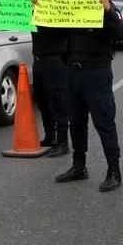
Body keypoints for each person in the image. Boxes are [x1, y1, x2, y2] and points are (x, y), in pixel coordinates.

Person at [54, 0, 123, 192]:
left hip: (97, 72)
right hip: (72, 71)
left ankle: (114, 171)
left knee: (104, 122)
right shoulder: (71, 9)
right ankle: (79, 166)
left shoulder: (107, 9)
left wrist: (107, 10)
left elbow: (122, 34)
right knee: (76, 122)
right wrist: (40, 9)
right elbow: (52, 33)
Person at [32, 27, 70, 158]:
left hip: (56, 59)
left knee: (58, 101)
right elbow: (16, 22)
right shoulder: (33, 9)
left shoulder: (56, 9)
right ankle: (50, 136)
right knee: (42, 100)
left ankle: (62, 141)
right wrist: (2, 10)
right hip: (38, 59)